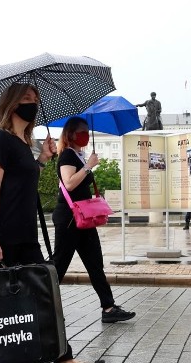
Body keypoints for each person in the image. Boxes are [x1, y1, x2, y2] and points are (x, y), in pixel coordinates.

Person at [0, 83, 105, 363]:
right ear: (12, 104)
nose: (33, 104)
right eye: (27, 99)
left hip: (24, 237)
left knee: (45, 296)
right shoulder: (0, 141)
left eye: (35, 100)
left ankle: (64, 362)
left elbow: (24, 183)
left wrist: (41, 159)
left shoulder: (21, 144)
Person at [53, 117, 135, 324]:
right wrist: (89, 166)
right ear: (70, 134)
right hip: (70, 219)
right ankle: (40, 304)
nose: (86, 135)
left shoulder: (78, 155)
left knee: (94, 262)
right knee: (60, 264)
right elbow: (69, 184)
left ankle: (108, 308)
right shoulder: (67, 156)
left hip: (83, 217)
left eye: (87, 131)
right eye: (81, 131)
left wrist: (88, 164)